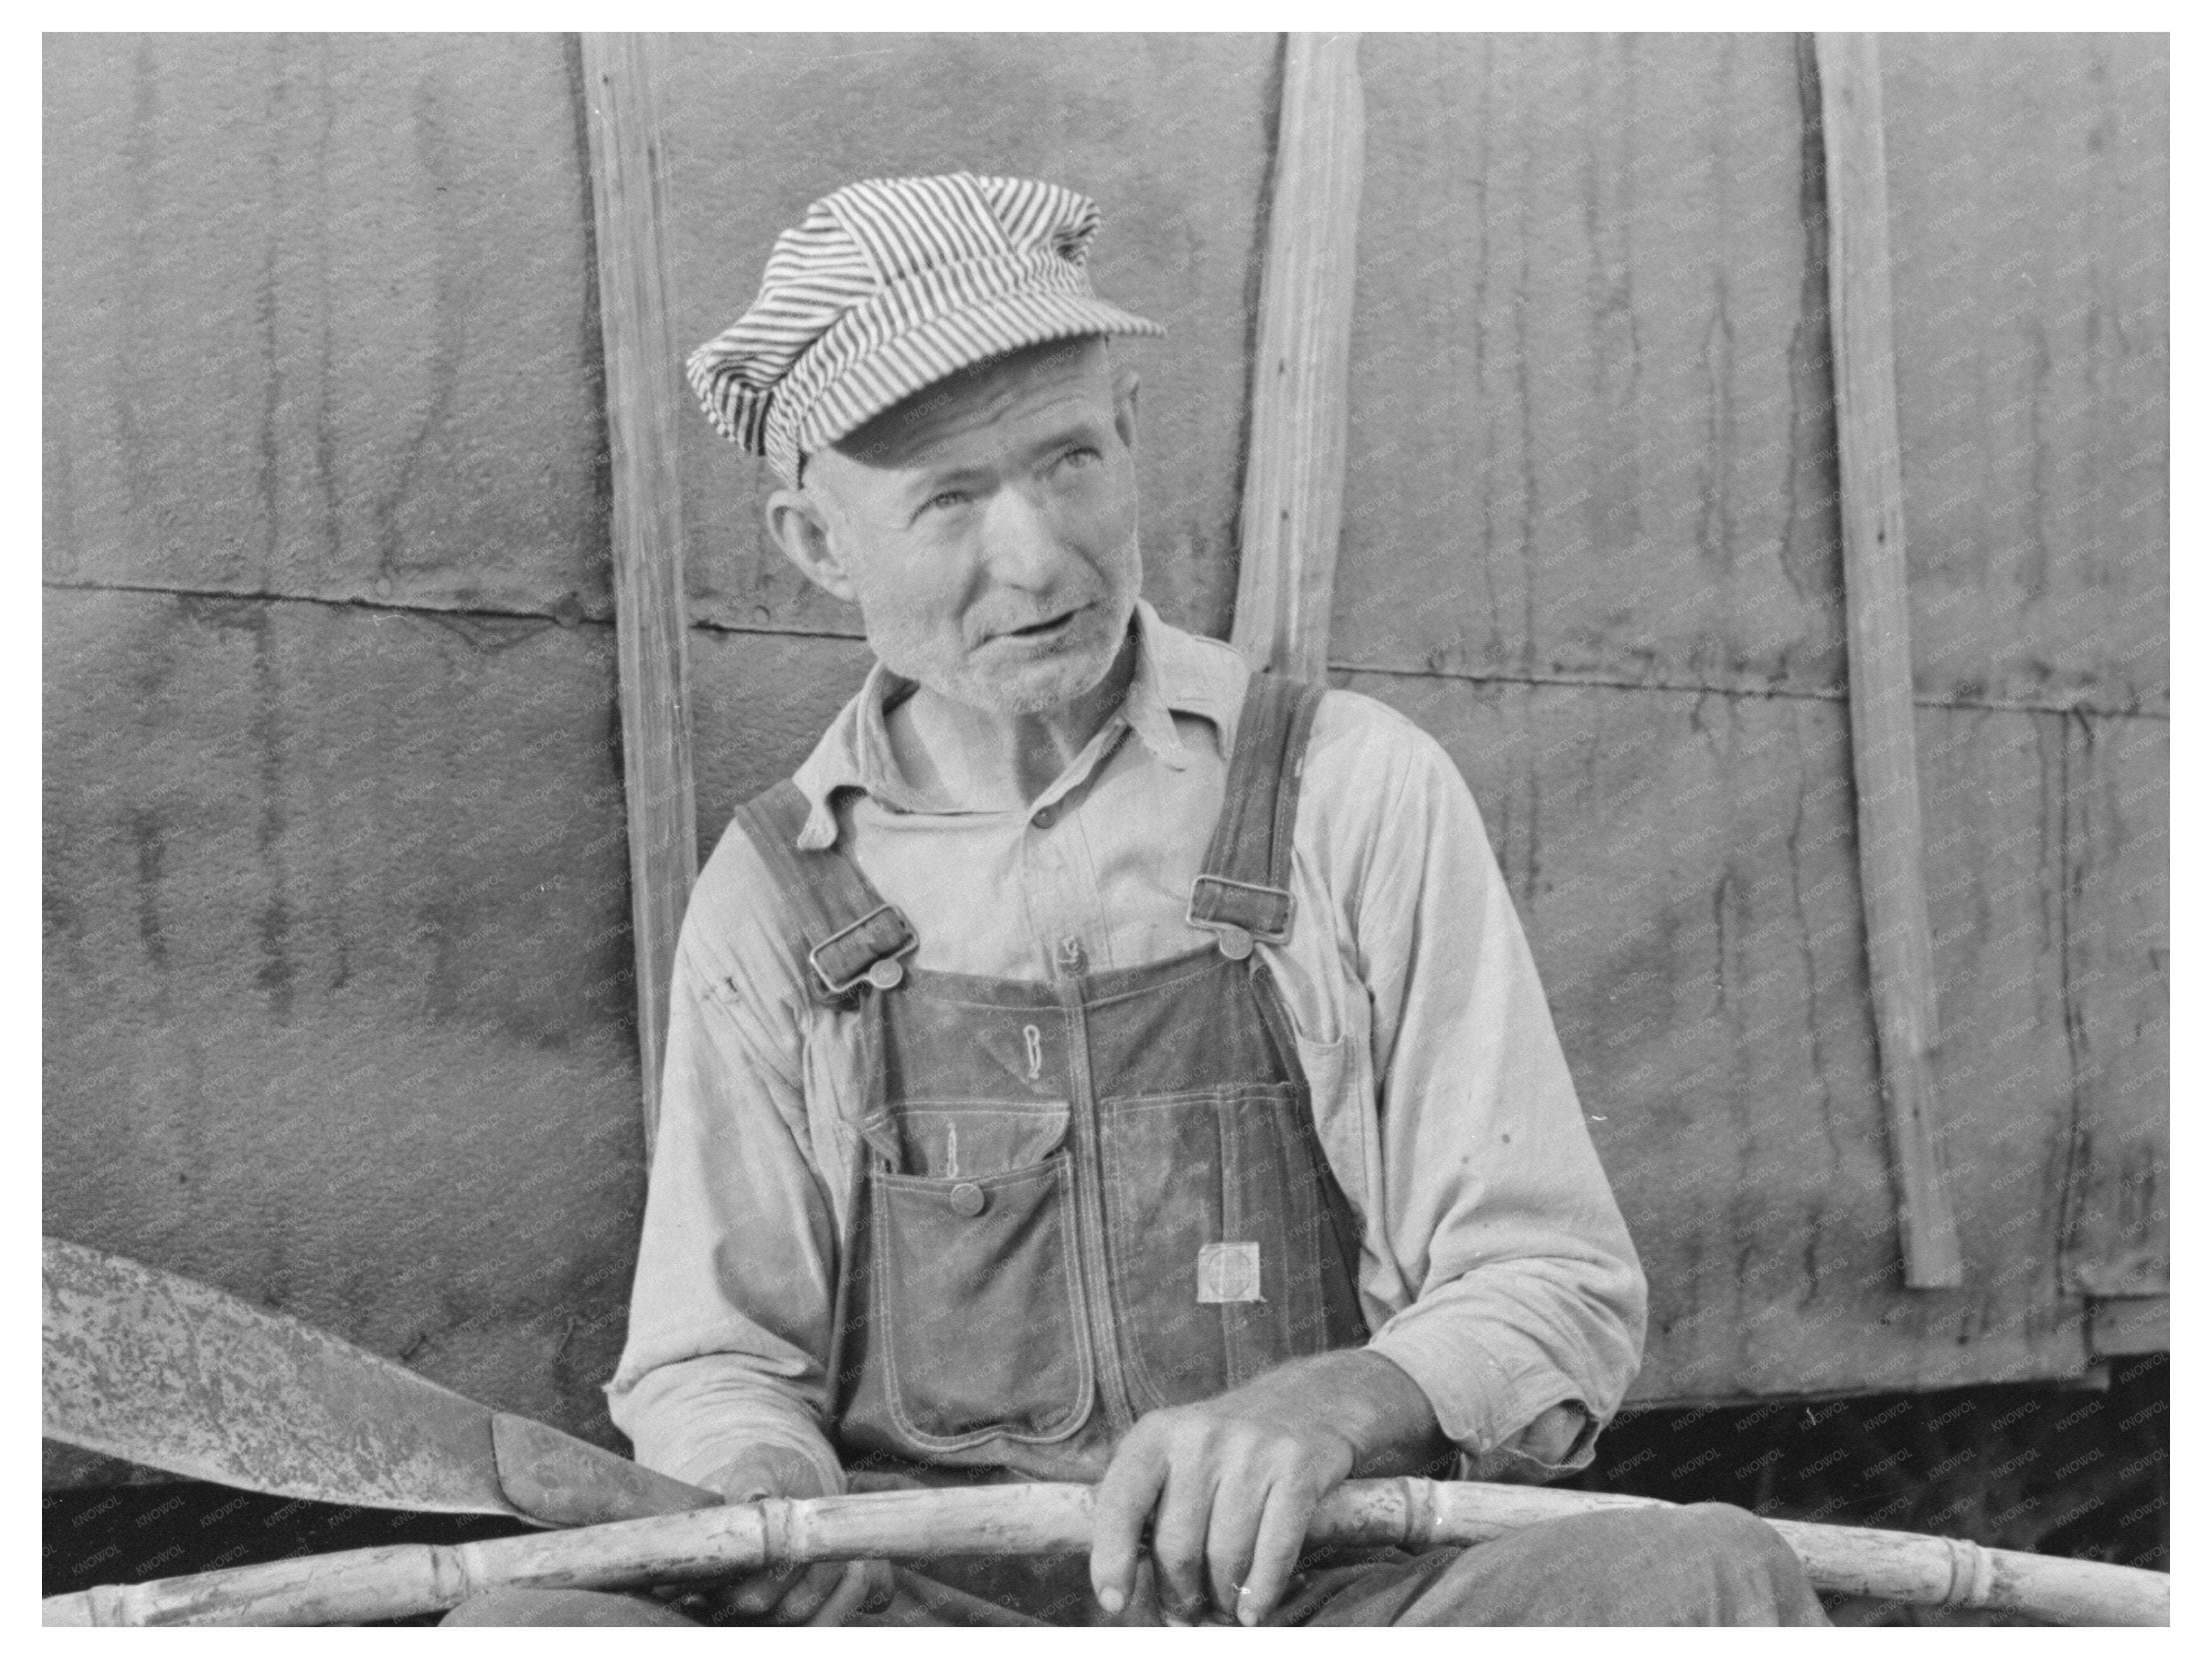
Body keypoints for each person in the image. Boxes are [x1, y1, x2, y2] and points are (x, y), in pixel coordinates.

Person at [444, 173, 1825, 1628]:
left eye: (1070, 461)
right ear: (813, 541)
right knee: (518, 1631)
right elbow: (715, 1360)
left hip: (1318, 1609)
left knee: (1700, 1573)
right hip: (936, 1618)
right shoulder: (777, 894)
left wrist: (1339, 1403)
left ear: (1133, 436)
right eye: (949, 501)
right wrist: (765, 1499)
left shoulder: (1346, 790)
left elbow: (1550, 1281)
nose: (1036, 556)